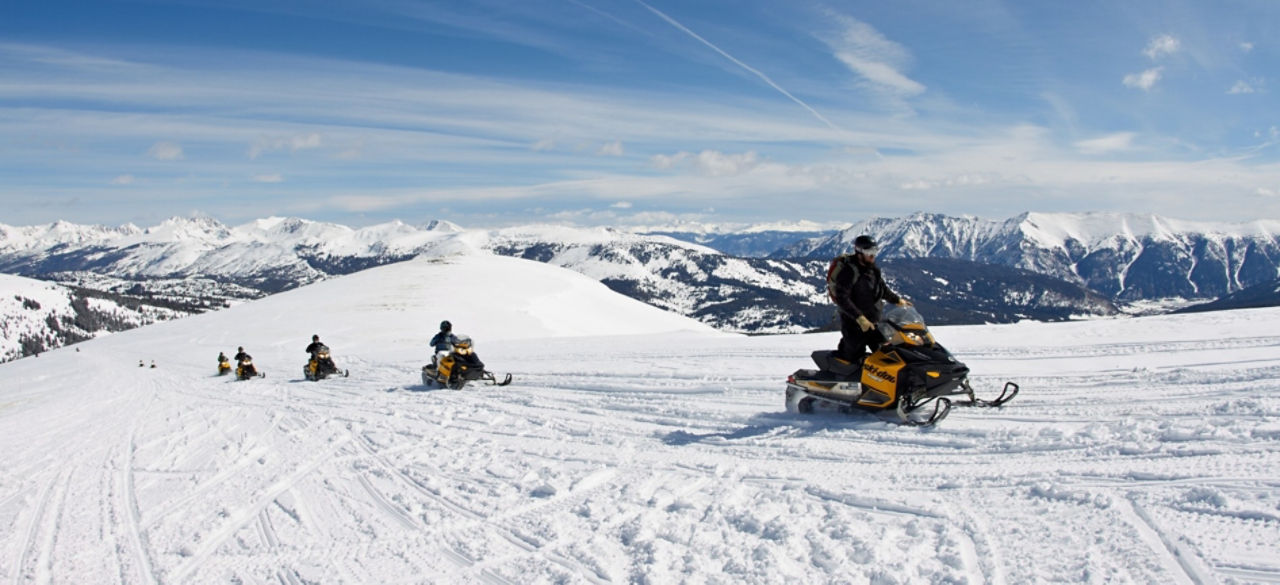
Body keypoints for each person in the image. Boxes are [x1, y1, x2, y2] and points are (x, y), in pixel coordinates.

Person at [827, 235, 910, 365]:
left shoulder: (872, 270)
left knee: (886, 354)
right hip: (854, 325)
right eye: (869, 252)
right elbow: (842, 298)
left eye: (875, 252)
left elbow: (882, 289)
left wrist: (898, 300)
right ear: (859, 253)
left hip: (873, 323)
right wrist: (860, 318)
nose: (873, 256)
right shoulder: (850, 271)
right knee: (852, 361)